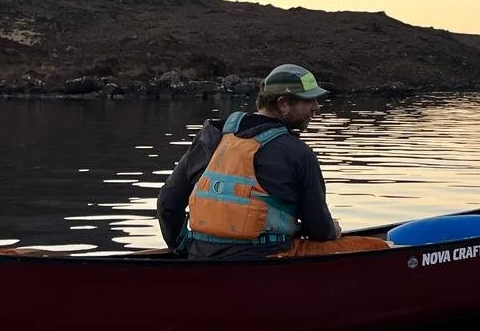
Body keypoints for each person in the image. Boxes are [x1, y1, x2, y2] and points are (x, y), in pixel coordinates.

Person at [157, 64, 389, 259]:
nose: (316, 109)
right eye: (309, 101)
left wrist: (184, 252)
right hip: (266, 257)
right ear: (283, 104)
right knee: (379, 247)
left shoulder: (210, 135)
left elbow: (168, 204)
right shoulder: (298, 152)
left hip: (200, 255)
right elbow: (318, 229)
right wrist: (333, 230)